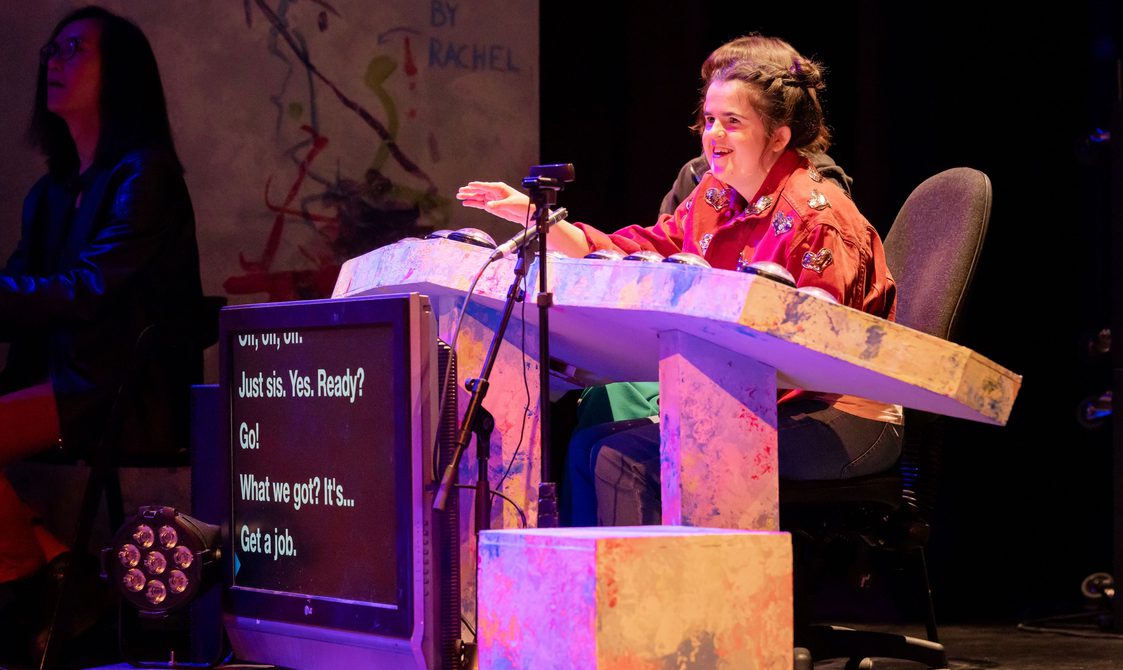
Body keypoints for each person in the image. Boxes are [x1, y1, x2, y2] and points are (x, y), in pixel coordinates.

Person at [457, 36, 900, 526]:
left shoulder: (819, 219)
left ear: (778, 137)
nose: (714, 135)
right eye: (709, 120)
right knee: (589, 443)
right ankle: (588, 599)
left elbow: (818, 351)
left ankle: (647, 601)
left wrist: (698, 409)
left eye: (733, 122)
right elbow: (639, 248)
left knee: (622, 459)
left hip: (838, 417)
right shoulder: (715, 194)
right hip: (755, 398)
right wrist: (537, 217)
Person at [0, 5, 202, 659]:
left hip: (121, 389)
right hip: (64, 382)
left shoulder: (146, 176)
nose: (52, 60)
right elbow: (19, 292)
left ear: (120, 73)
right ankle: (63, 572)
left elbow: (91, 291)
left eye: (73, 49)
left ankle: (38, 585)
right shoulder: (49, 194)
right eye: (50, 51)